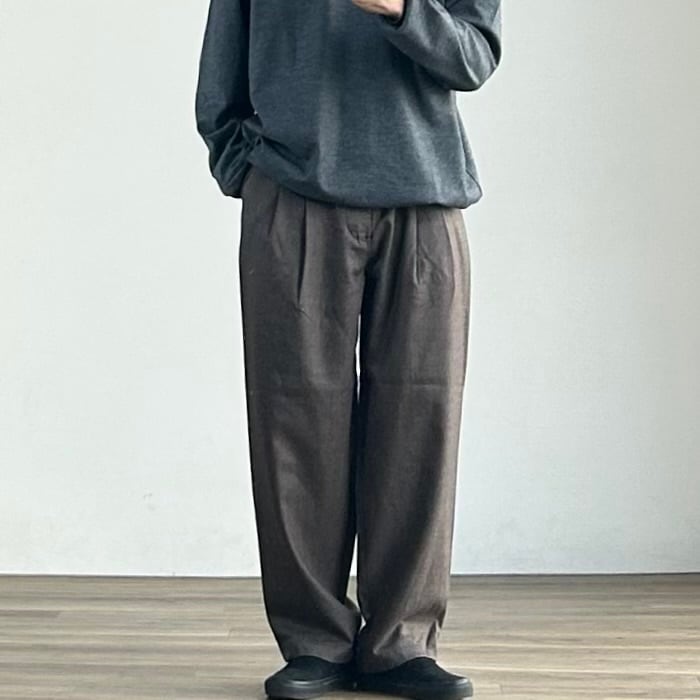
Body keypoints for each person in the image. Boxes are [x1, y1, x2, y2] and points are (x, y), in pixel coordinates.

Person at [195, 0, 502, 698]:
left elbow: (475, 57)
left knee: (420, 425)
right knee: (295, 425)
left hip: (425, 202)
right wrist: (249, 171)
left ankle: (402, 643)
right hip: (294, 197)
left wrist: (401, 8)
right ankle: (314, 642)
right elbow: (221, 77)